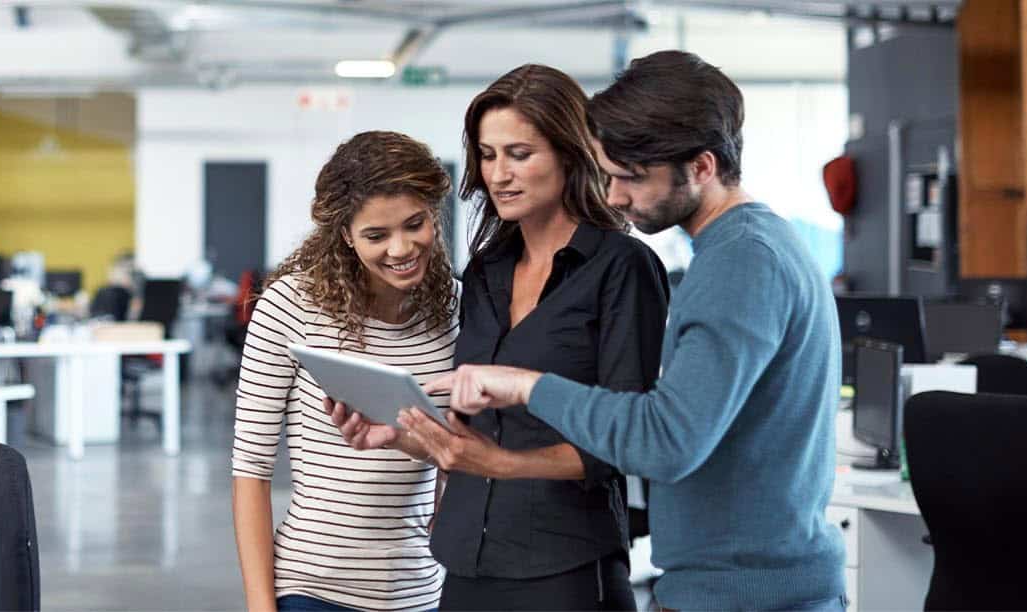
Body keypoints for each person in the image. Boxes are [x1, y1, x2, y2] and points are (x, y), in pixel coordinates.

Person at [404, 50, 848, 611]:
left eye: (631, 178)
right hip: (719, 588)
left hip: (744, 595)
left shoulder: (742, 261)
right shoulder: (740, 251)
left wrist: (526, 387)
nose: (614, 196)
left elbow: (664, 440)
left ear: (702, 167)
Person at [330, 64, 668, 611]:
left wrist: (502, 465)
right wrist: (397, 436)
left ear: (569, 154)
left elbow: (626, 440)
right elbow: (470, 440)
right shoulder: (487, 270)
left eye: (519, 154)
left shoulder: (622, 268)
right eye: (488, 155)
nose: (499, 174)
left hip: (565, 566)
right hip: (467, 560)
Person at [231, 130, 459, 612]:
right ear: (346, 237)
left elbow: (462, 451)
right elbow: (251, 469)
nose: (401, 248)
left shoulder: (459, 309)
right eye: (376, 236)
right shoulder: (290, 306)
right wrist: (261, 606)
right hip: (313, 588)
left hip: (421, 590)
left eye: (414, 224)